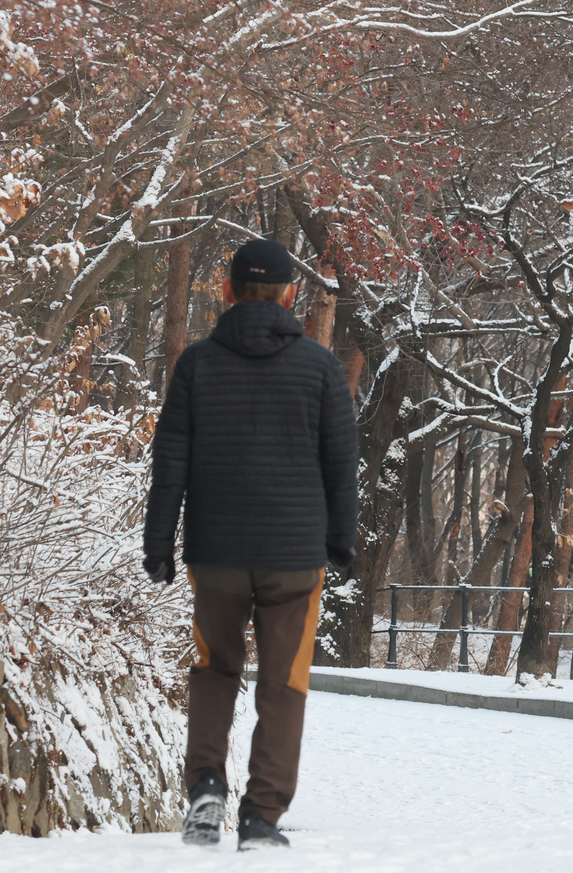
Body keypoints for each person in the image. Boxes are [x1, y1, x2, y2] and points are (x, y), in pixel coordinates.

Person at [143, 238, 358, 850]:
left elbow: (172, 460)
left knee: (214, 669)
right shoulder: (319, 367)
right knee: (283, 682)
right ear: (291, 295)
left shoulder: (197, 364)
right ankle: (261, 818)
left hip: (215, 553)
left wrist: (159, 541)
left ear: (229, 291)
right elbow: (343, 463)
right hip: (294, 556)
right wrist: (340, 539)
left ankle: (206, 791)